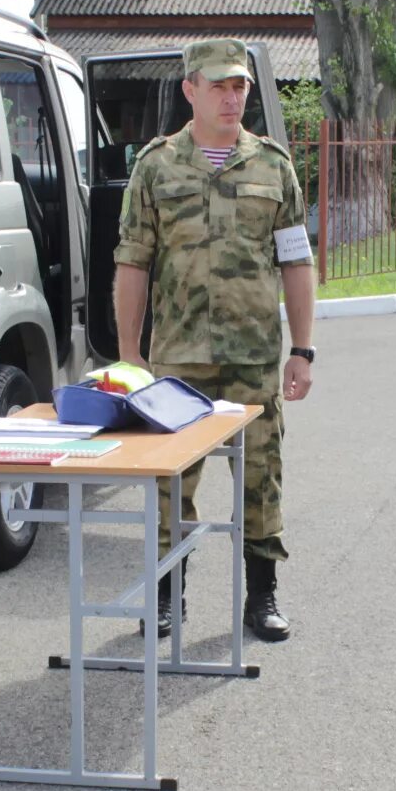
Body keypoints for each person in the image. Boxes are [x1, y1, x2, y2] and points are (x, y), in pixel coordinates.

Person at [112, 39, 316, 641]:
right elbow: (133, 263)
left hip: (254, 357)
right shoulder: (155, 166)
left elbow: (296, 263)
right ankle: (168, 594)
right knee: (171, 482)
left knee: (261, 477)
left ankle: (263, 596)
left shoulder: (273, 166)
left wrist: (302, 349)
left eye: (241, 87)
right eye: (221, 85)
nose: (233, 97)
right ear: (190, 90)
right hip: (177, 360)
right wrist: (129, 355)